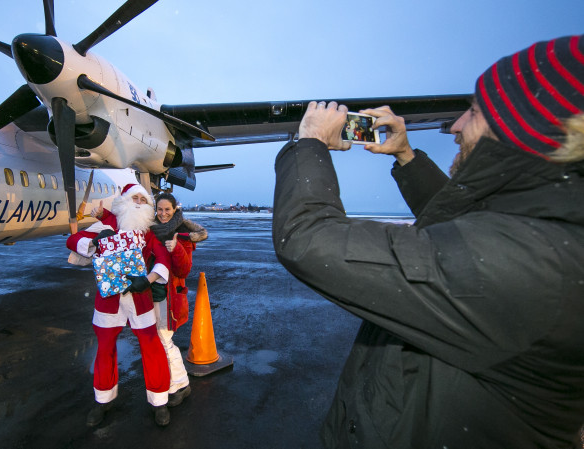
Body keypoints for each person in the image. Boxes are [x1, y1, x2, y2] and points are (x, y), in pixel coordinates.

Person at [272, 34, 584, 449]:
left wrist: (309, 142)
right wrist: (406, 155)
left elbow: (309, 239)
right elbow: (465, 229)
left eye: (473, 112)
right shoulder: (547, 228)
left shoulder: (536, 264)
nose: (454, 126)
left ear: (521, 126)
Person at [66, 183, 173, 427]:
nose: (137, 202)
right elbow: (73, 240)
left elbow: (163, 258)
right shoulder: (107, 225)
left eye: (142, 199)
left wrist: (147, 280)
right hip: (108, 299)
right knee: (104, 348)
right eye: (133, 197)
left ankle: (160, 401)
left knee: (151, 345)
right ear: (123, 200)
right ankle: (103, 400)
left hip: (140, 296)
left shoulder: (147, 233)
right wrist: (95, 242)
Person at [148, 192, 208, 407]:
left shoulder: (182, 233)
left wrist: (177, 250)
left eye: (167, 209)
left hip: (170, 297)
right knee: (157, 341)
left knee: (164, 341)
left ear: (175, 210)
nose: (163, 214)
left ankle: (180, 386)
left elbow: (184, 270)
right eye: (160, 209)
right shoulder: (150, 230)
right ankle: (173, 384)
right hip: (150, 295)